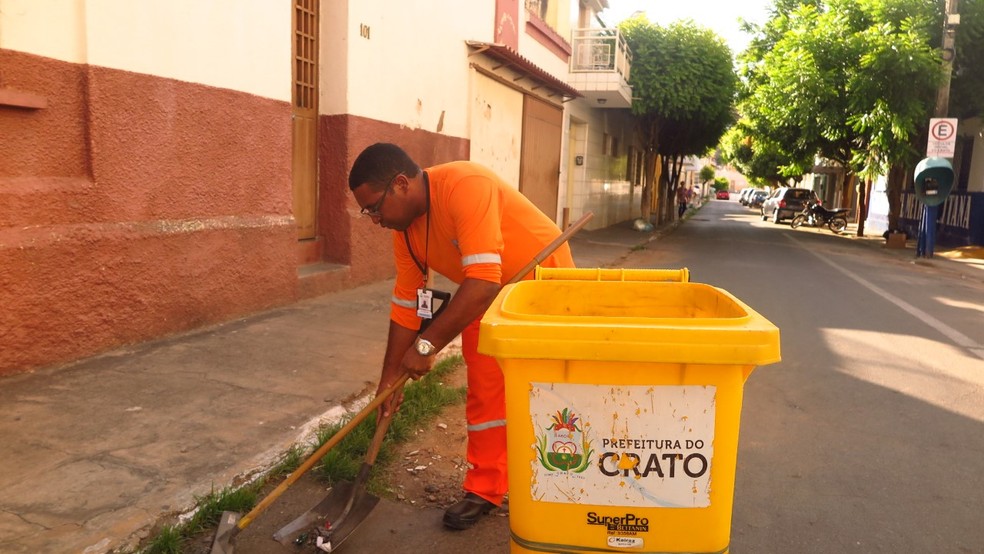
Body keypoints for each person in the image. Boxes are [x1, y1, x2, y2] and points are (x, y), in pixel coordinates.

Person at [348, 143, 575, 530]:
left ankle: (562, 480)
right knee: (485, 391)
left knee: (548, 391)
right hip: (485, 294)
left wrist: (426, 346)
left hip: (543, 285)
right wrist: (389, 378)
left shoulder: (466, 185)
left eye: (374, 208)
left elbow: (483, 281)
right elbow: (406, 306)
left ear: (401, 184)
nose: (373, 219)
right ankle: (485, 489)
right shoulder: (404, 232)